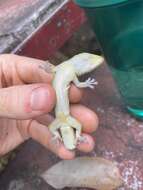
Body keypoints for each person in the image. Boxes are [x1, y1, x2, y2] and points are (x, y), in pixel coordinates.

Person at [0, 54, 99, 160]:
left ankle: (76, 137)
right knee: (77, 125)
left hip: (61, 117)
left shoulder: (64, 66)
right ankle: (77, 136)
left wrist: (57, 134)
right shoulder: (71, 71)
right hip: (64, 116)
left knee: (73, 126)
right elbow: (78, 84)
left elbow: (52, 70)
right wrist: (87, 83)